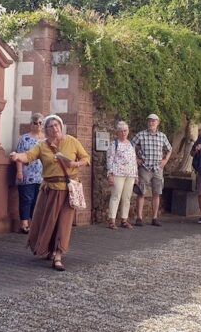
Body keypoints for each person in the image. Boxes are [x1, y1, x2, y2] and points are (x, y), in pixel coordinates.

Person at [9, 115, 90, 271]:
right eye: (51, 126)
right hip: (50, 190)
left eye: (57, 125)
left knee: (64, 223)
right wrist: (17, 156)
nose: (55, 128)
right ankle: (49, 249)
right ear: (46, 130)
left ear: (61, 126)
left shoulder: (72, 141)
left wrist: (74, 163)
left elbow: (86, 158)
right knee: (48, 222)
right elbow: (28, 156)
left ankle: (58, 255)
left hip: (68, 190)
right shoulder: (42, 146)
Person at [131, 114, 172, 227]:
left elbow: (169, 149)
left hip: (158, 168)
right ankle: (139, 218)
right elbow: (131, 145)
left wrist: (165, 160)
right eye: (149, 121)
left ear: (158, 123)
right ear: (147, 123)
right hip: (144, 167)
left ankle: (154, 218)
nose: (151, 123)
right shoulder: (141, 135)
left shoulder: (162, 136)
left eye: (153, 121)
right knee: (141, 192)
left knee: (157, 193)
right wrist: (135, 158)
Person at [12, 113, 44, 234]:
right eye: (35, 123)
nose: (38, 125)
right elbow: (19, 156)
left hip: (41, 176)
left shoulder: (45, 140)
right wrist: (19, 172)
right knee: (26, 198)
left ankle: (34, 223)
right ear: (31, 124)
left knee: (37, 200)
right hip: (27, 174)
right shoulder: (25, 138)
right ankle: (24, 223)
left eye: (40, 123)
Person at [106, 121, 138, 229]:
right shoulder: (114, 144)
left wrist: (136, 174)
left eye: (125, 131)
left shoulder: (131, 144)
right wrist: (110, 174)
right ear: (117, 132)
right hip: (117, 173)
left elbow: (134, 160)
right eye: (121, 131)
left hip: (130, 174)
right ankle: (112, 220)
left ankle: (124, 219)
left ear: (128, 131)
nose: (123, 133)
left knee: (127, 197)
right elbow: (110, 159)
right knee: (116, 196)